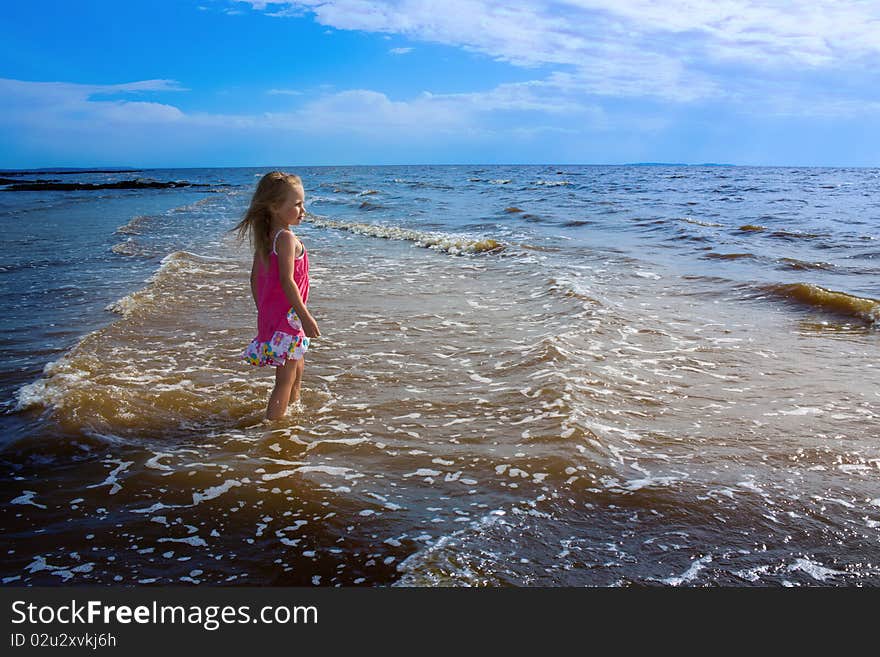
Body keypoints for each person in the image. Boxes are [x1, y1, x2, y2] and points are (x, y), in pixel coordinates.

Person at [231, 171, 320, 420]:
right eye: (297, 204)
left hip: (278, 316)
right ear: (274, 206)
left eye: (303, 203)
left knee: (296, 368)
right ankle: (274, 430)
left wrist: (264, 310)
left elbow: (254, 278)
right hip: (290, 318)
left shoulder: (267, 236)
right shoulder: (286, 238)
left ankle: (293, 411)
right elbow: (287, 280)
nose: (303, 210)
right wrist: (305, 317)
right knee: (285, 378)